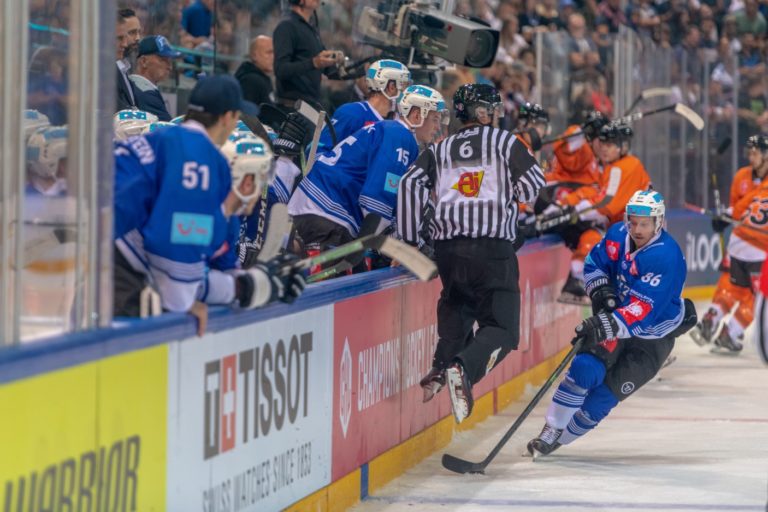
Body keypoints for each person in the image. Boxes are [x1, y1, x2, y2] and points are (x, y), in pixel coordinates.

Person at [398, 83, 545, 424]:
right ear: (483, 113)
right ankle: (462, 369)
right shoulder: (505, 142)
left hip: (448, 250)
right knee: (502, 329)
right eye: (493, 111)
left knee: (459, 304)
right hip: (492, 250)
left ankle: (441, 366)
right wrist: (509, 203)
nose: (496, 117)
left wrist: (409, 238)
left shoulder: (440, 147)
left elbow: (408, 184)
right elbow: (532, 187)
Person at [112, 75, 305, 332]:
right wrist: (182, 301)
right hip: (111, 264)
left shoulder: (173, 140)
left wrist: (253, 284)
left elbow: (217, 264)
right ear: (227, 117)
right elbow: (171, 250)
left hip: (97, 249)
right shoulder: (198, 156)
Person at [527, 190, 695, 457]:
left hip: (652, 337)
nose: (637, 229)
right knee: (584, 368)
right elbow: (593, 263)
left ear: (658, 222)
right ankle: (551, 429)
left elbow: (642, 312)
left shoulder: (666, 257)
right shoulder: (618, 234)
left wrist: (602, 324)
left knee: (602, 398)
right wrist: (602, 292)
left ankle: (563, 438)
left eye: (645, 223)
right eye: (633, 221)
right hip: (618, 320)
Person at [286, 85, 447, 260]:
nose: (437, 126)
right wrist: (362, 247)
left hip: (314, 208)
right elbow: (377, 197)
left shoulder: (391, 131)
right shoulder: (400, 136)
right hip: (327, 214)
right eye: (435, 119)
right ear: (417, 115)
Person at [554, 121, 652, 305]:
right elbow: (600, 196)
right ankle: (578, 280)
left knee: (593, 238)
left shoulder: (623, 167)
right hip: (638, 235)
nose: (604, 149)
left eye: (610, 145)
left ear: (622, 147)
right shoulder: (619, 166)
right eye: (603, 144)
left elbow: (606, 205)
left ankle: (579, 280)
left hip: (636, 238)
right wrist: (572, 205)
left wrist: (575, 212)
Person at [694, 134, 768, 350]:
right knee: (755, 296)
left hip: (739, 243)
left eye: (755, 153)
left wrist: (724, 216)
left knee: (732, 287)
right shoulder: (742, 176)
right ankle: (731, 331)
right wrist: (724, 219)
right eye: (750, 152)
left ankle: (712, 317)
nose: (751, 157)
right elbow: (738, 207)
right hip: (760, 249)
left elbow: (739, 209)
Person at [315, 59, 411, 153]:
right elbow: (318, 151)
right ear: (392, 87)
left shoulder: (399, 122)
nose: (407, 92)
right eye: (404, 86)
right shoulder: (351, 113)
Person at [272, 0, 343, 108]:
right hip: (292, 108)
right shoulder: (286, 26)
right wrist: (313, 63)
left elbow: (327, 69)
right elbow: (280, 69)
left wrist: (352, 70)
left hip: (310, 105)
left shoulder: (310, 28)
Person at [130, 35, 182, 121]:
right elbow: (166, 130)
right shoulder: (145, 93)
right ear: (144, 61)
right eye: (163, 60)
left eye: (170, 61)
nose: (170, 67)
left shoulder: (134, 85)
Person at [235, 36, 276, 108]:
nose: (273, 57)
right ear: (254, 56)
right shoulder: (251, 80)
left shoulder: (263, 78)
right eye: (269, 52)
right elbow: (246, 116)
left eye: (274, 53)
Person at [116, 8, 142, 111]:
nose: (138, 38)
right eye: (132, 32)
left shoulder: (124, 68)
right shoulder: (106, 72)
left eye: (139, 32)